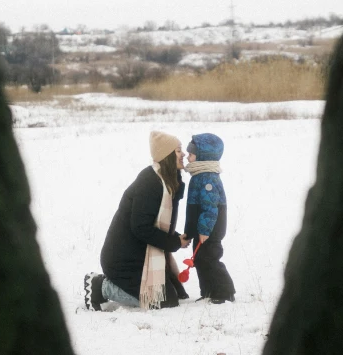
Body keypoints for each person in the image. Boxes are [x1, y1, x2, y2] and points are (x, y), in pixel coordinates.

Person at [84, 131, 190, 311]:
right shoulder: (150, 183)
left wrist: (177, 238)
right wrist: (173, 242)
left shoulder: (168, 182)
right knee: (162, 302)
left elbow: (157, 224)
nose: (184, 154)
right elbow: (141, 227)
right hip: (123, 260)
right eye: (179, 151)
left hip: (140, 255)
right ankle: (100, 286)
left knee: (174, 296)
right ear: (167, 155)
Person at [184, 133, 235, 304]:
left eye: (191, 155)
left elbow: (210, 207)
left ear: (201, 157)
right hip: (202, 229)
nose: (188, 158)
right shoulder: (199, 175)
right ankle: (208, 292)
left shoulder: (208, 178)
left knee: (210, 259)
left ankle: (224, 292)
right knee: (199, 259)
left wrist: (204, 230)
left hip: (210, 230)